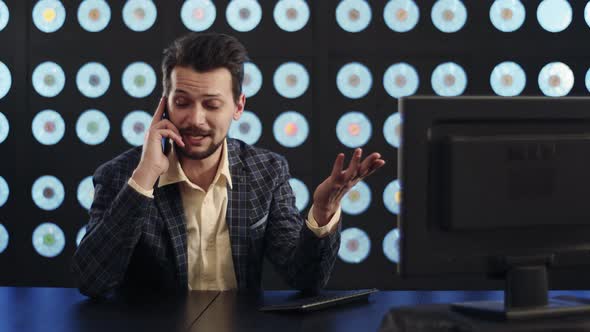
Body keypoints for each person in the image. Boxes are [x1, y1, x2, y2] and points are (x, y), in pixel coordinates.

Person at [71, 32, 385, 298]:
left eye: (211, 105)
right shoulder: (120, 175)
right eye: (181, 103)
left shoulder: (267, 171)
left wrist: (323, 211)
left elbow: (304, 278)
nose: (195, 119)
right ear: (164, 102)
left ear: (238, 106)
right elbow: (91, 282)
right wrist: (143, 180)